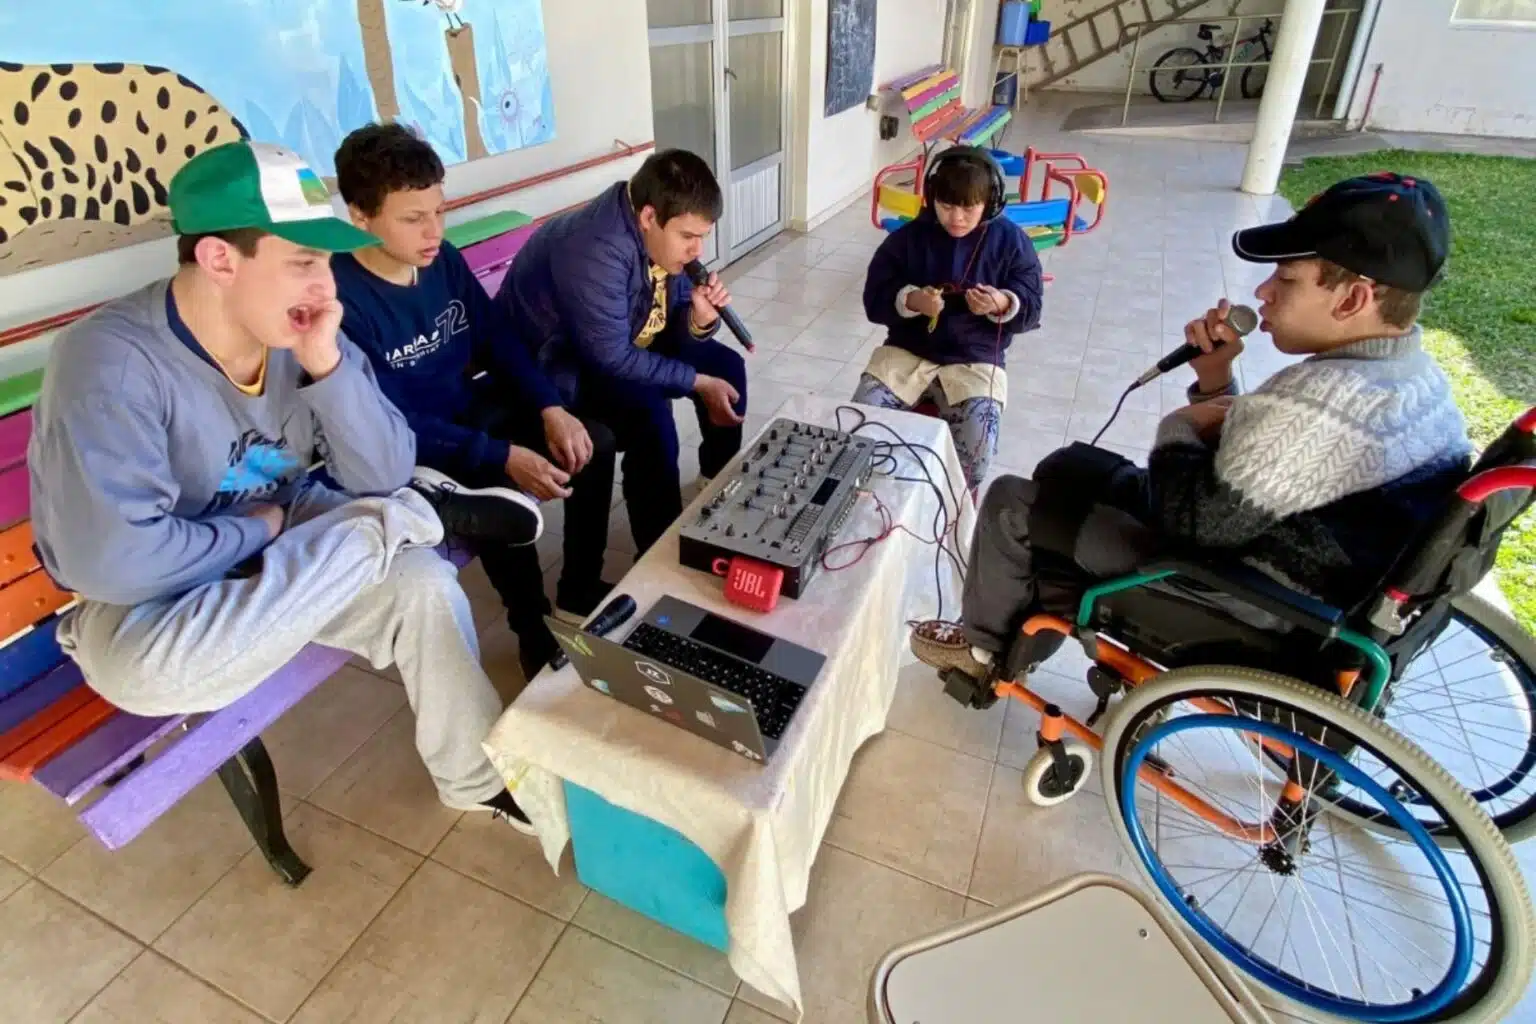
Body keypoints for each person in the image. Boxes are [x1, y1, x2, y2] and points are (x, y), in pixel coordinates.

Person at [28, 140, 543, 833]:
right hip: (158, 591)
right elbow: (117, 566)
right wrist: (260, 530)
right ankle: (407, 519)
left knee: (424, 586)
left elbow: (381, 471)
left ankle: (472, 779)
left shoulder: (296, 330)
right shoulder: (110, 361)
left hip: (291, 539)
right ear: (220, 259)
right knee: (145, 678)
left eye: (325, 261)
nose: (325, 286)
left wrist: (326, 364)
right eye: (303, 262)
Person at [910, 172, 1474, 683]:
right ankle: (1027, 629)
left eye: (1287, 279)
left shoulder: (1327, 403)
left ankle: (983, 652)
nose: (1264, 292)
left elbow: (1193, 525)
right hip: (1296, 567)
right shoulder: (1416, 380)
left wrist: (1181, 424)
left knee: (1013, 503)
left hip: (1246, 596)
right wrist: (1215, 380)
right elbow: (1271, 466)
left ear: (1354, 298)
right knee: (1066, 468)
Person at [331, 124, 618, 677]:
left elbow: (496, 339)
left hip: (469, 411)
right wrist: (502, 455)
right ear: (360, 216)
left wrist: (550, 408)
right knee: (500, 494)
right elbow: (388, 419)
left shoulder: (440, 260)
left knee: (593, 442)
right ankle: (533, 630)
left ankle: (579, 586)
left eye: (439, 212)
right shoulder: (341, 300)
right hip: (412, 447)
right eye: (413, 218)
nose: (434, 231)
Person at [497, 148, 747, 554]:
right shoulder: (594, 249)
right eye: (688, 237)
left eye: (702, 236)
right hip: (561, 369)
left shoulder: (656, 232)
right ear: (649, 217)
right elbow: (611, 356)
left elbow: (672, 322)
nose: (697, 251)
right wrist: (697, 382)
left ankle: (714, 483)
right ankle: (658, 552)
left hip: (622, 340)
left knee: (727, 366)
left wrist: (698, 321)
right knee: (652, 418)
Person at [856, 146, 1044, 493]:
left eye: (969, 207)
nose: (956, 217)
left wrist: (1001, 302)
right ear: (932, 198)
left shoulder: (1011, 242)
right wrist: (912, 300)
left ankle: (941, 504)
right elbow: (873, 299)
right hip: (907, 352)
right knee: (858, 433)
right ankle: (881, 497)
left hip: (976, 360)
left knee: (975, 460)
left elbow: (1032, 305)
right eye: (946, 205)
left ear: (990, 202)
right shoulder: (907, 239)